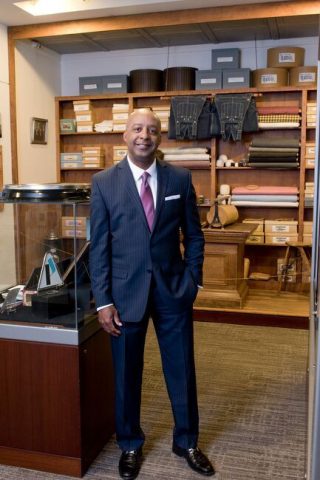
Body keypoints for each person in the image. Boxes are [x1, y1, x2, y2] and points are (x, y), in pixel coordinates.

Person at [90, 108, 215, 479]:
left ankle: (187, 441)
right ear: (124, 136)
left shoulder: (180, 178)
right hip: (124, 295)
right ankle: (130, 443)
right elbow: (99, 247)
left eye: (153, 130)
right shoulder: (103, 182)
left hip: (173, 290)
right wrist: (104, 300)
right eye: (137, 129)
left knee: (182, 369)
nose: (145, 135)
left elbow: (194, 235)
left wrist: (193, 280)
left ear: (160, 138)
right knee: (126, 373)